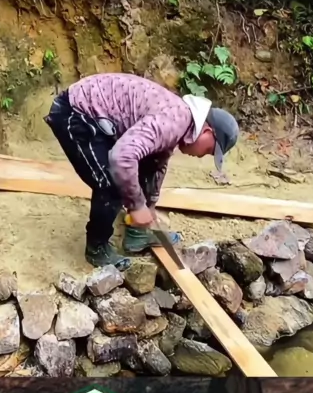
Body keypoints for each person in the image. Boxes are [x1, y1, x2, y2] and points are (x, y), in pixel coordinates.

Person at [44, 73, 239, 270]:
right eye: (209, 150)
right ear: (207, 132)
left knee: (145, 164)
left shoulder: (180, 121)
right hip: (76, 112)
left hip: (96, 117)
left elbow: (157, 163)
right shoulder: (174, 121)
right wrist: (137, 206)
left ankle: (137, 233)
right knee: (113, 181)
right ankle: (97, 248)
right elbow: (121, 158)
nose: (203, 156)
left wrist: (149, 206)